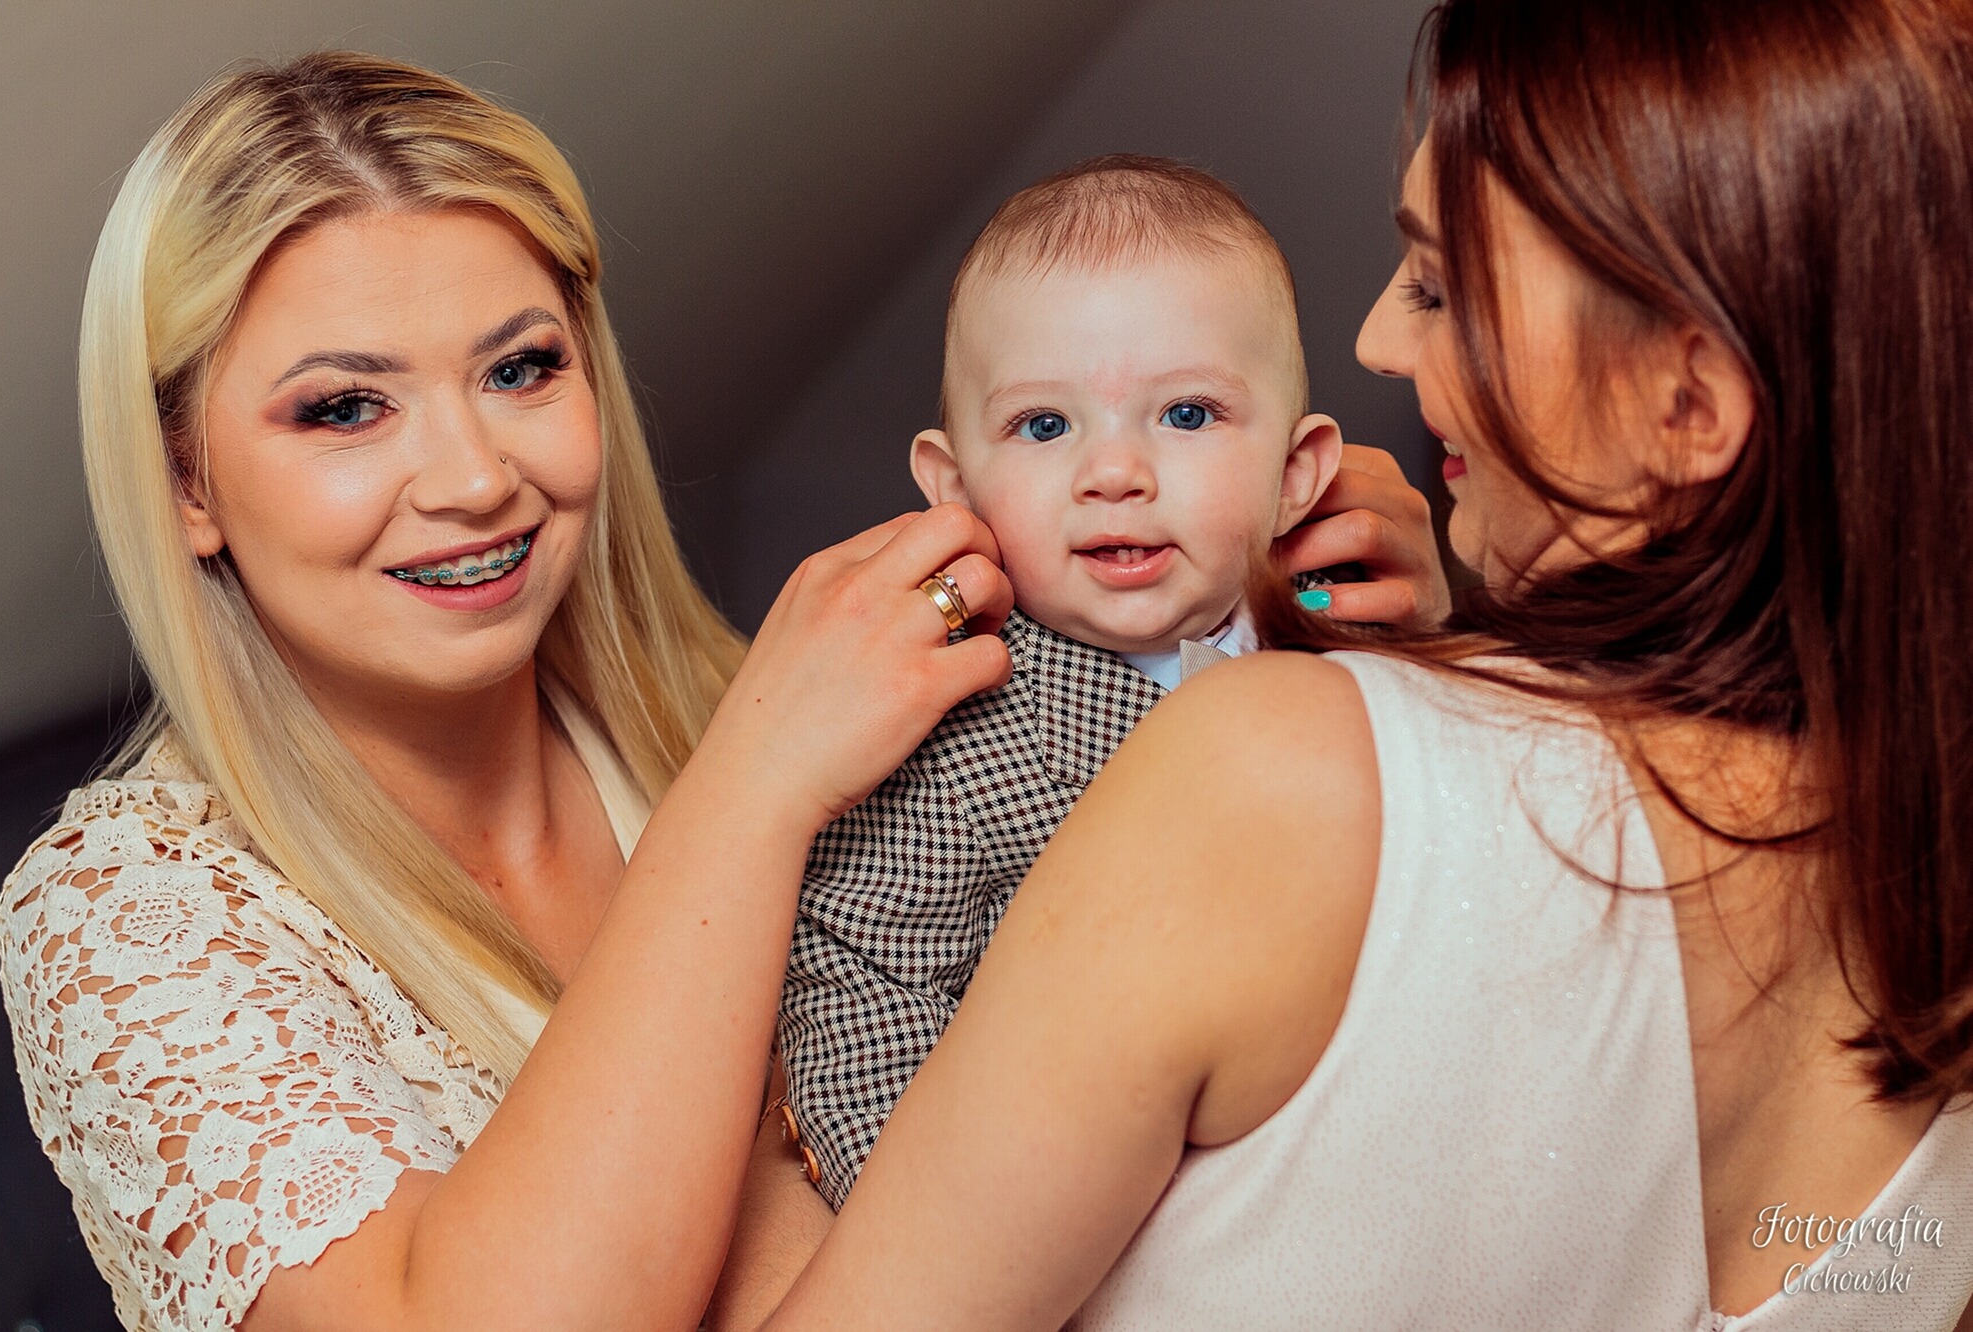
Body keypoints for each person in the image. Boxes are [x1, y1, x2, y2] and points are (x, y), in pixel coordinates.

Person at [0, 51, 1443, 1332]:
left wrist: (1339, 626)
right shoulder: (122, 916)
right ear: (186, 479)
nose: (477, 478)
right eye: (344, 406)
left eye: (519, 368)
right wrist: (748, 787)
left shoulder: (749, 698)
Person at [752, 1, 1973, 1327]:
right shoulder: (1928, 882)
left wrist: (760, 1171)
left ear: (1685, 408)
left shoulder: (1262, 771)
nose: (1382, 341)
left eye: (1443, 289)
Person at [777, 154, 1356, 1210]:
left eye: (1187, 415)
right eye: (1045, 427)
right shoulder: (955, 741)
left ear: (1297, 475)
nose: (1115, 472)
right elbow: (860, 991)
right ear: (956, 490)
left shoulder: (1360, 667)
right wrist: (946, 1228)